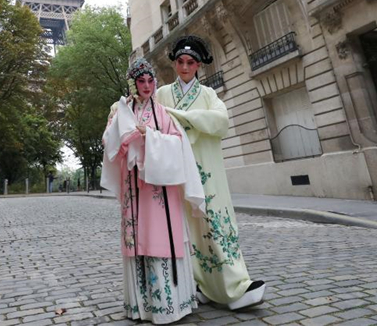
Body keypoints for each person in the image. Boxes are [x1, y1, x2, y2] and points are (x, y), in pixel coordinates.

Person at [155, 36, 266, 311]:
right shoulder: (161, 94)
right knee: (184, 228)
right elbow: (152, 120)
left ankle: (235, 286)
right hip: (175, 168)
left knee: (215, 222)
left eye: (190, 63)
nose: (184, 67)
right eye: (180, 62)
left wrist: (179, 117)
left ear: (198, 66)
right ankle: (199, 285)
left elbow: (221, 122)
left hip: (206, 167)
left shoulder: (208, 95)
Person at [102, 58, 205, 324]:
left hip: (159, 192)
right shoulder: (121, 110)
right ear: (133, 84)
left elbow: (179, 144)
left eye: (150, 81)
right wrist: (123, 135)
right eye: (141, 81)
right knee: (137, 241)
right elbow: (108, 141)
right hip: (133, 191)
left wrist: (151, 137)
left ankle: (170, 306)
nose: (147, 86)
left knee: (160, 238)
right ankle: (141, 306)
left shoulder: (162, 113)